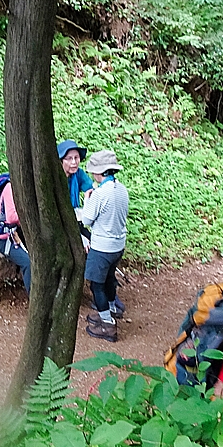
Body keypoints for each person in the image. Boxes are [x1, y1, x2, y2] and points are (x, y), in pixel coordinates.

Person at [80, 150, 129, 340]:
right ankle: (111, 309)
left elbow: (86, 219)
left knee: (96, 285)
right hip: (118, 245)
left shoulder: (100, 194)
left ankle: (107, 324)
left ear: (99, 172)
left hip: (102, 247)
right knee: (109, 279)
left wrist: (88, 199)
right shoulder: (121, 189)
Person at [58, 140, 94, 212]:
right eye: (69, 158)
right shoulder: (56, 176)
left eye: (76, 157)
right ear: (61, 161)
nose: (74, 162)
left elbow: (91, 188)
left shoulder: (79, 174)